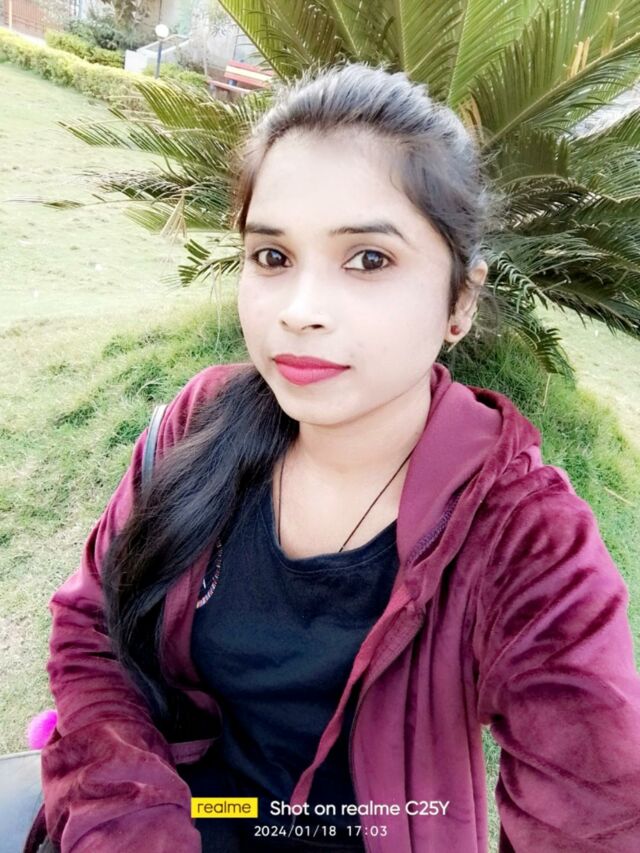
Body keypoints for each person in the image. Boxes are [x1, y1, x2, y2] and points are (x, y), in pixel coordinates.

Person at [30, 61, 640, 853]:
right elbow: (94, 630)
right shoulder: (200, 424)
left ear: (460, 300)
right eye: (272, 257)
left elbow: (595, 812)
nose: (300, 311)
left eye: (368, 259)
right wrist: (132, 825)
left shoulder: (526, 538)